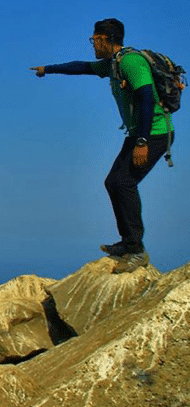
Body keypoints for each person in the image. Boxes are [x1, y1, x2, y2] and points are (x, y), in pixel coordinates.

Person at [30, 18, 174, 274]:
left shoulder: (130, 61)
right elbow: (83, 67)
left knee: (124, 183)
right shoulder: (114, 64)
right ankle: (129, 243)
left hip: (154, 134)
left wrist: (141, 141)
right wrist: (48, 68)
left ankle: (136, 250)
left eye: (93, 39)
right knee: (113, 182)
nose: (92, 44)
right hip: (138, 134)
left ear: (105, 39)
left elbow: (145, 97)